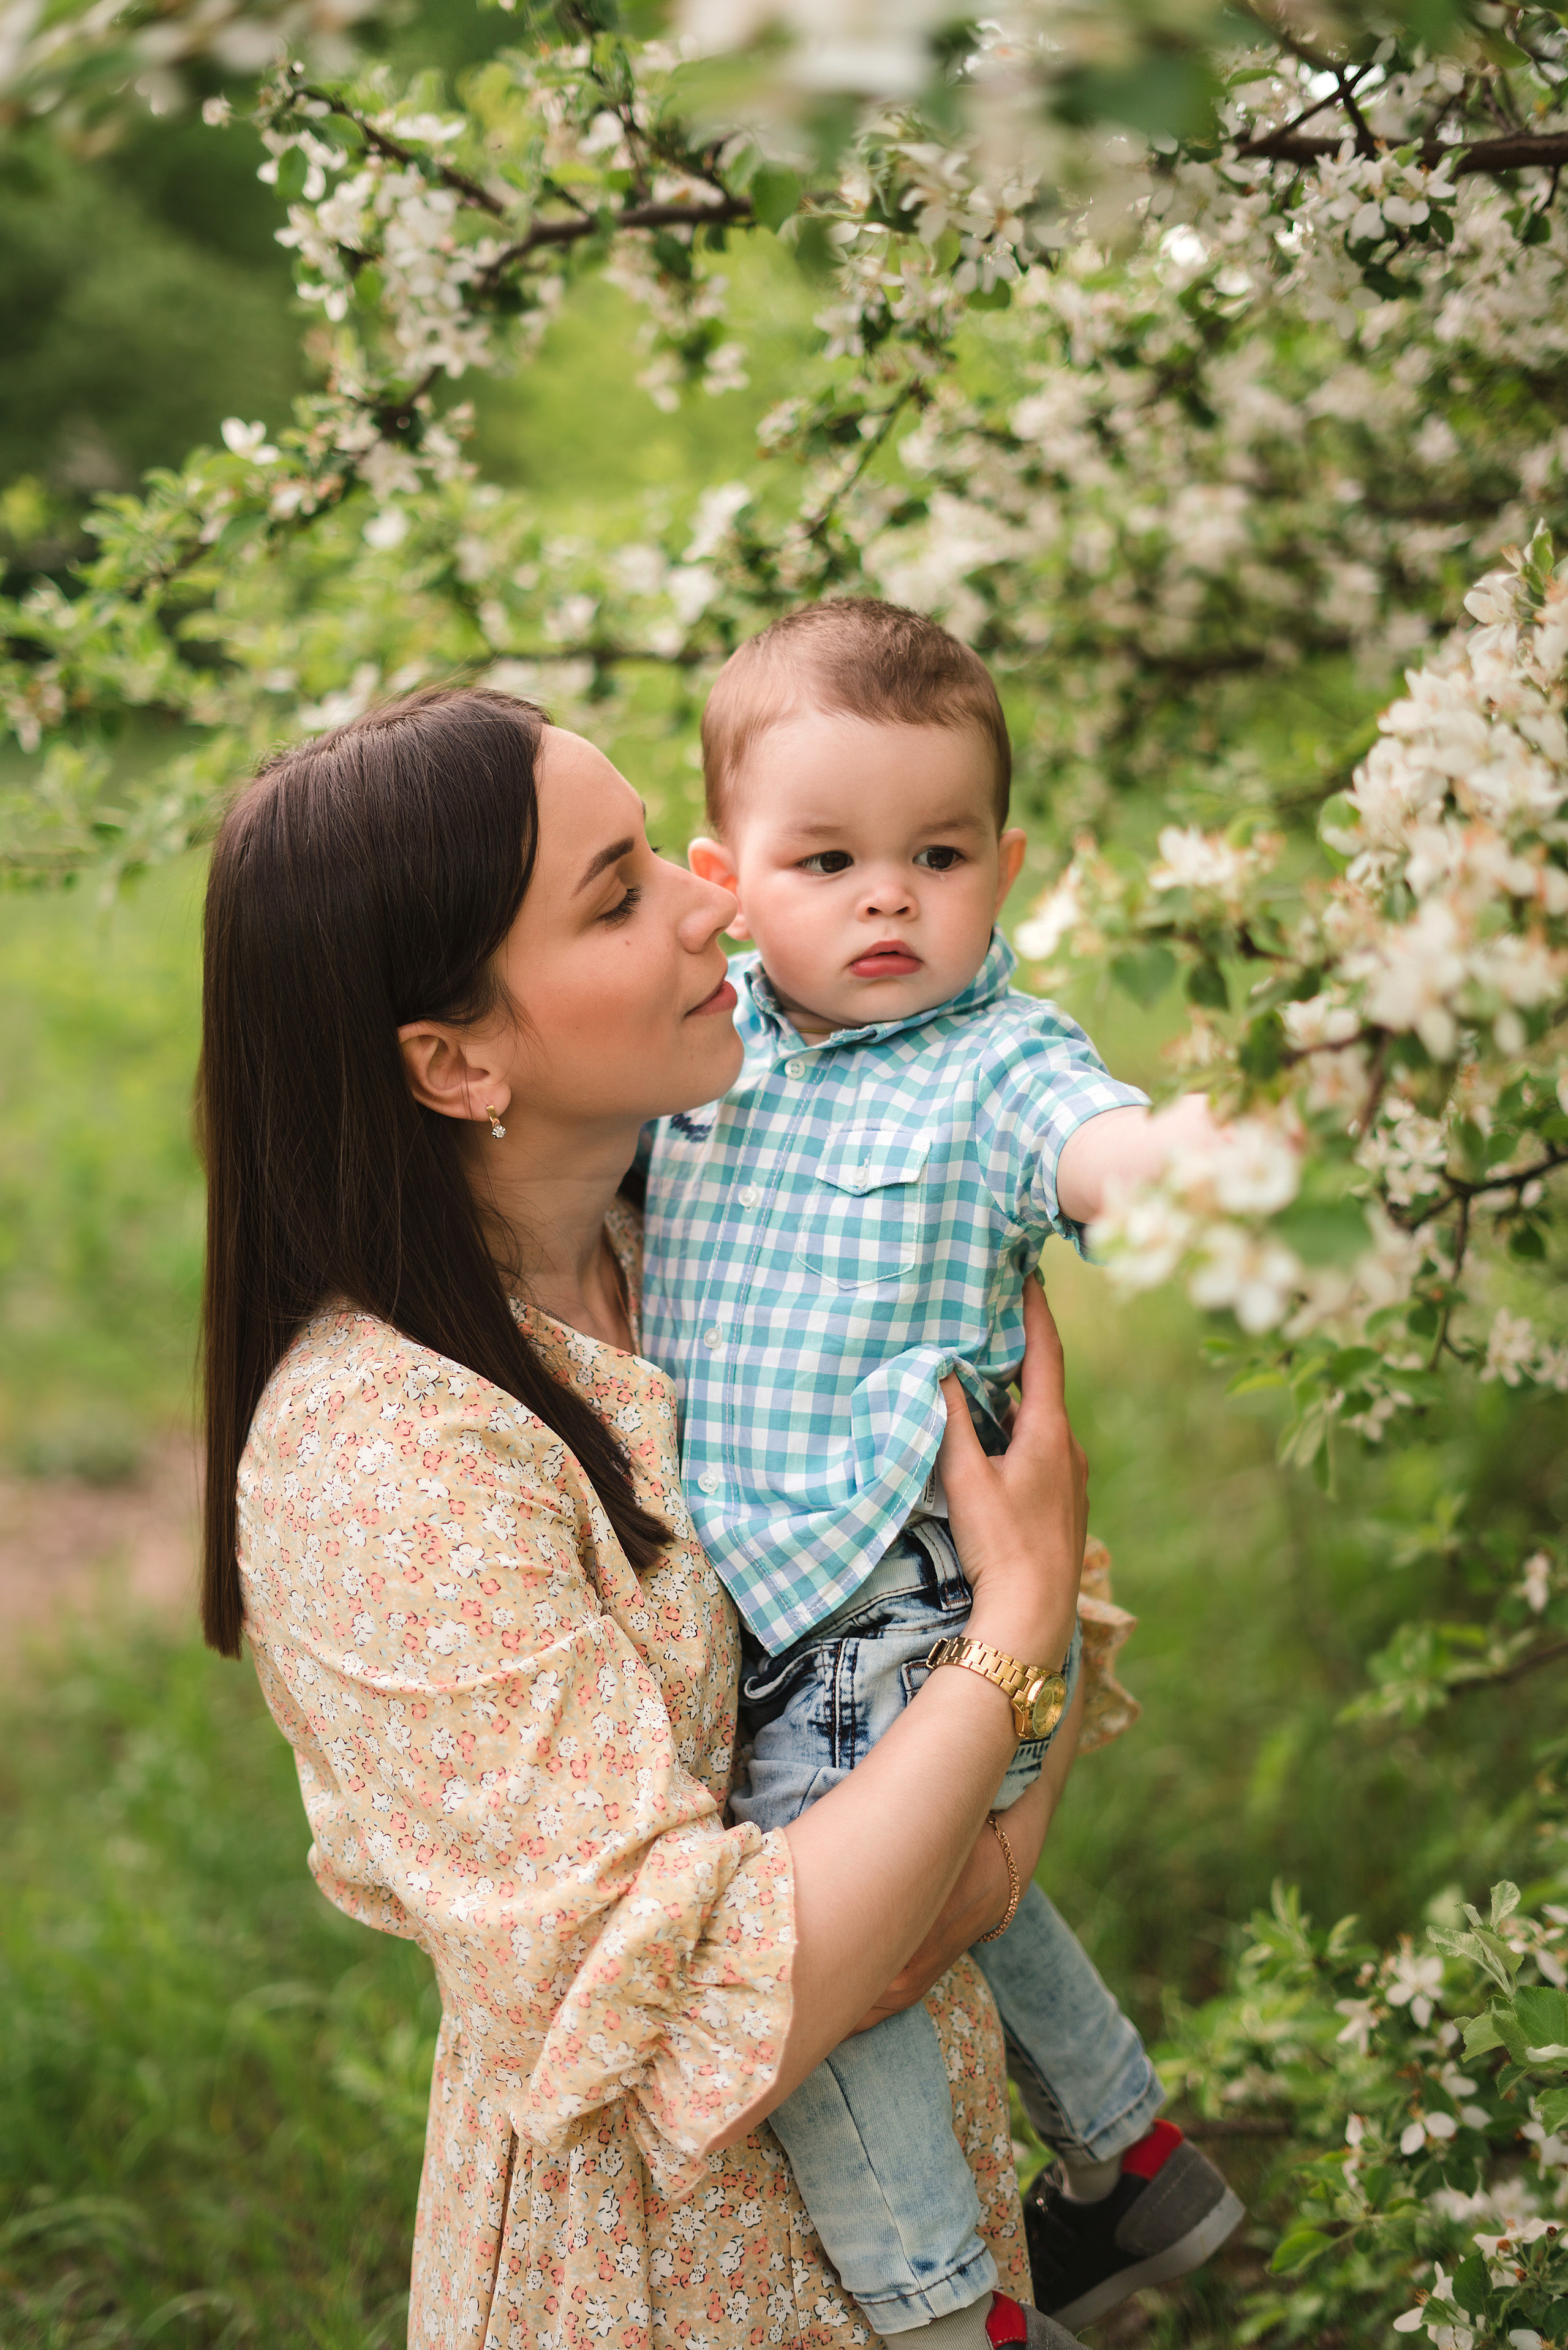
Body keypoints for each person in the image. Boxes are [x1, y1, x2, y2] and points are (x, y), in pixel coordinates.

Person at [197, 685, 1107, 2350]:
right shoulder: (380, 1451)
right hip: (670, 2278)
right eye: (619, 892)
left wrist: (978, 1762)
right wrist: (1018, 1632)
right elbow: (704, 2011)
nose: (717, 900)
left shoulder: (716, 1237)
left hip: (947, 2186)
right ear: (454, 1058)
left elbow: (959, 1614)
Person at [640, 601, 1244, 2341]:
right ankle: (1134, 2157)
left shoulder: (990, 1067)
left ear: (1007, 867)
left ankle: (941, 2303)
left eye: (940, 852)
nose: (888, 896)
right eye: (827, 858)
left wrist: (1186, 1163)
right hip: (799, 1601)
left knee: (808, 1947)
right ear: (728, 877)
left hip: (880, 1598)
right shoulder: (711, 1053)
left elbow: (1089, 1137)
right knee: (944, 1882)